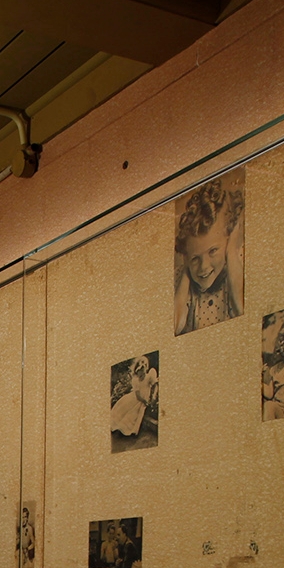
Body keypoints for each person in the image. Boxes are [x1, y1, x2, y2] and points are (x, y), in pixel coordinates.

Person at [174, 176, 244, 334]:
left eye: (213, 251)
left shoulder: (237, 266)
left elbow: (241, 306)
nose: (203, 267)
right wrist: (187, 268)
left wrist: (231, 251)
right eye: (195, 258)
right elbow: (175, 325)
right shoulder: (182, 279)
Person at [111, 354, 159, 446]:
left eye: (144, 365)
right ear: (137, 368)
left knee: (136, 414)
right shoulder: (136, 379)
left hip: (143, 399)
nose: (143, 367)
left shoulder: (149, 376)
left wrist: (152, 397)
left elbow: (154, 384)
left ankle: (131, 432)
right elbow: (137, 395)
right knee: (128, 411)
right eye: (140, 365)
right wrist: (145, 401)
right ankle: (121, 430)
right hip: (137, 398)